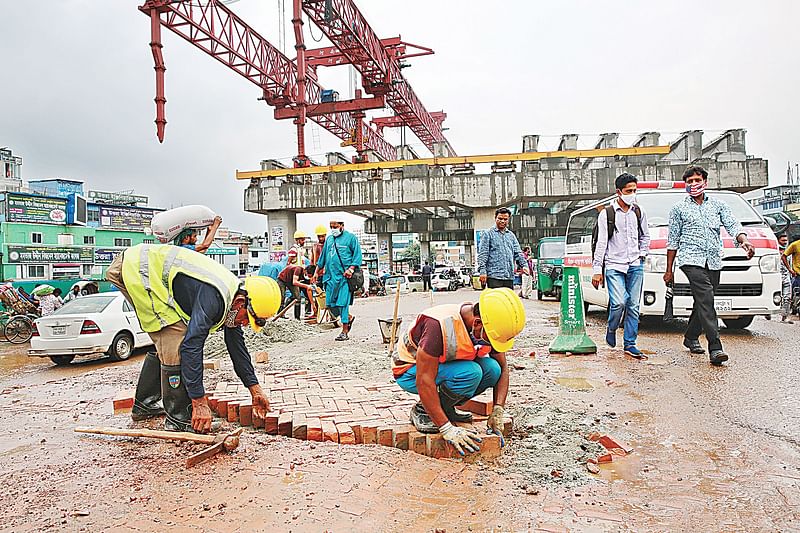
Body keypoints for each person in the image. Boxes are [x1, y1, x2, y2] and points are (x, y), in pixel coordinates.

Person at [105, 243, 280, 433]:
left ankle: (145, 404)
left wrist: (255, 389)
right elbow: (191, 346)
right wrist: (199, 402)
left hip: (140, 267)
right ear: (240, 303)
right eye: (247, 319)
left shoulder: (234, 299)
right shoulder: (214, 298)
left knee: (169, 342)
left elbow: (236, 347)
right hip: (137, 270)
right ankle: (179, 419)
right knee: (174, 338)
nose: (246, 324)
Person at [392, 288, 525, 455]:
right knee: (472, 372)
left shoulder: (486, 325)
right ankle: (423, 410)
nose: (492, 344)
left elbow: (503, 368)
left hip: (445, 367)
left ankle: (445, 408)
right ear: (477, 323)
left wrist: (498, 409)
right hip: (409, 370)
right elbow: (424, 379)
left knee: (492, 369)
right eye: (492, 339)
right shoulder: (438, 324)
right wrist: (447, 429)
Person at [663, 166, 755, 366]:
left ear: (705, 182)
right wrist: (668, 270)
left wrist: (744, 241)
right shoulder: (678, 209)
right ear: (685, 185)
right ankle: (715, 347)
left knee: (702, 301)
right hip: (690, 260)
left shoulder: (718, 205)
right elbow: (673, 241)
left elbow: (732, 225)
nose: (693, 184)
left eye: (697, 180)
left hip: (713, 260)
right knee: (706, 298)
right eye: (689, 182)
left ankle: (690, 336)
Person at [591, 173, 651, 357]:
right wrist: (596, 270)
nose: (632, 194)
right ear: (619, 192)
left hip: (635, 264)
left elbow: (645, 236)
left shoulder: (638, 211)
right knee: (618, 303)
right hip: (613, 265)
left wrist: (642, 254)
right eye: (628, 191)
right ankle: (612, 327)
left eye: (634, 190)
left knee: (633, 306)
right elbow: (601, 242)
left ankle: (630, 344)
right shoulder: (607, 214)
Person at [316, 219, 363, 341]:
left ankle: (344, 331)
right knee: (330, 304)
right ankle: (348, 317)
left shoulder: (351, 238)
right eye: (331, 226)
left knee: (342, 303)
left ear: (342, 225)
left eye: (335, 226)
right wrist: (317, 272)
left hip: (344, 278)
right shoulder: (329, 240)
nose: (333, 229)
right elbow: (322, 258)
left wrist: (351, 268)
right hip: (330, 278)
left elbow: (357, 255)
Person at [478, 207, 529, 289]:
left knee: (508, 301)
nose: (502, 221)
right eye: (500, 218)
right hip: (494, 277)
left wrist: (524, 265)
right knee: (496, 301)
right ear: (495, 218)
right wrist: (482, 271)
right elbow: (483, 255)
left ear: (508, 220)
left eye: (505, 219)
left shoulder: (511, 235)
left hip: (509, 277)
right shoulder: (488, 234)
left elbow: (518, 253)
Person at [776, 234, 794, 323]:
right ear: (778, 240)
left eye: (786, 240)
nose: (785, 242)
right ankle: (766, 313)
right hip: (775, 277)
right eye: (783, 240)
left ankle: (785, 317)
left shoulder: (788, 251)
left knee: (787, 297)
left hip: (786, 277)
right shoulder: (774, 250)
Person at [782, 234, 800, 316]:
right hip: (797, 275)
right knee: (795, 295)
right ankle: (791, 310)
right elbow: (784, 256)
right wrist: (790, 269)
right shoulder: (795, 245)